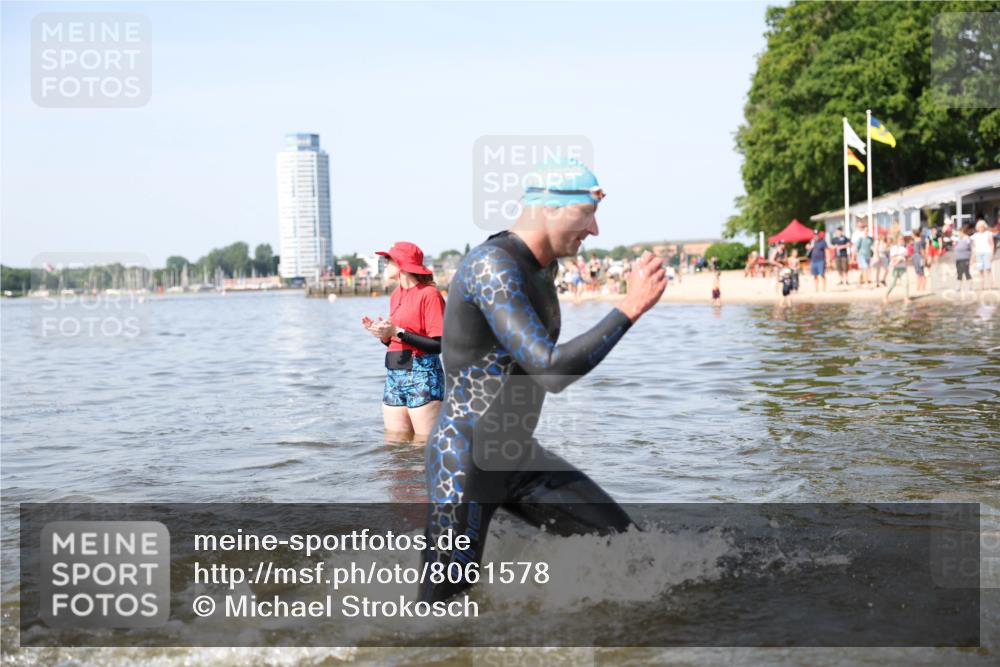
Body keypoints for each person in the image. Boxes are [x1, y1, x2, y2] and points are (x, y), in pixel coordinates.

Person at [420, 158, 666, 603]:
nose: (595, 230)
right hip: (466, 461)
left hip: (519, 457)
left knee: (632, 550)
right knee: (439, 614)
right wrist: (629, 308)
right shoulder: (492, 267)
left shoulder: (541, 267)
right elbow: (549, 370)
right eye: (587, 214)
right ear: (550, 207)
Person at [361, 242, 445, 444]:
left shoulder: (429, 294)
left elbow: (439, 344)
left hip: (423, 375)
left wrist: (397, 331)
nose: (385, 264)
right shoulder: (395, 294)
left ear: (402, 264)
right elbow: (398, 339)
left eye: (388, 260)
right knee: (395, 446)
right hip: (394, 372)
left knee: (424, 446)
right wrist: (383, 335)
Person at [884, 234, 910, 304]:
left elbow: (907, 259)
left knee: (906, 283)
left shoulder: (905, 249)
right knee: (892, 284)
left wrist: (905, 258)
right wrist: (901, 257)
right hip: (895, 268)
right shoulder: (894, 248)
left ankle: (906, 298)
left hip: (903, 268)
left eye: (903, 239)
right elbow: (893, 258)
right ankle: (885, 296)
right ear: (897, 240)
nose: (902, 240)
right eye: (901, 239)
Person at [972, 219, 995, 290]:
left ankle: (990, 285)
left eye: (982, 226)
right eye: (979, 227)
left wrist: (991, 254)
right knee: (980, 270)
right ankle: (982, 286)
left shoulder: (988, 233)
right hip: (978, 253)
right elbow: (974, 246)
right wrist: (974, 256)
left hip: (987, 253)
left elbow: (992, 244)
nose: (980, 228)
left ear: (984, 227)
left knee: (988, 269)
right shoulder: (975, 235)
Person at [954, 225, 973, 293]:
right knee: (959, 273)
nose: (959, 234)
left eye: (959, 232)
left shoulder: (967, 239)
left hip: (965, 258)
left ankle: (969, 286)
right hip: (958, 258)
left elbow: (970, 249)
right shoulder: (958, 239)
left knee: (966, 272)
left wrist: (972, 258)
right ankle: (958, 287)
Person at [855, 222, 874, 286]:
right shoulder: (861, 239)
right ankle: (866, 282)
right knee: (865, 268)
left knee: (865, 269)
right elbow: (857, 248)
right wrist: (855, 256)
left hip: (868, 255)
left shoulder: (870, 239)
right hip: (861, 255)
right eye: (865, 230)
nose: (866, 232)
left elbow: (872, 247)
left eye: (867, 230)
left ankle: (861, 280)